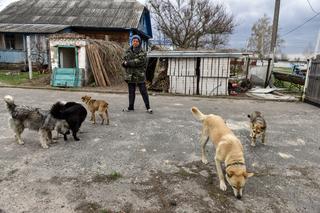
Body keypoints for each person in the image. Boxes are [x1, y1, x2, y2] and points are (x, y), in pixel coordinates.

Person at [122, 35, 153, 114]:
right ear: (132, 42)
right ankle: (130, 107)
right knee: (131, 92)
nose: (135, 42)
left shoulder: (142, 52)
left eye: (137, 41)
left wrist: (128, 63)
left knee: (143, 91)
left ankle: (148, 107)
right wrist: (125, 63)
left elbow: (138, 62)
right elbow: (123, 61)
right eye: (133, 41)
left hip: (140, 75)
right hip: (130, 75)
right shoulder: (128, 51)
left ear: (139, 42)